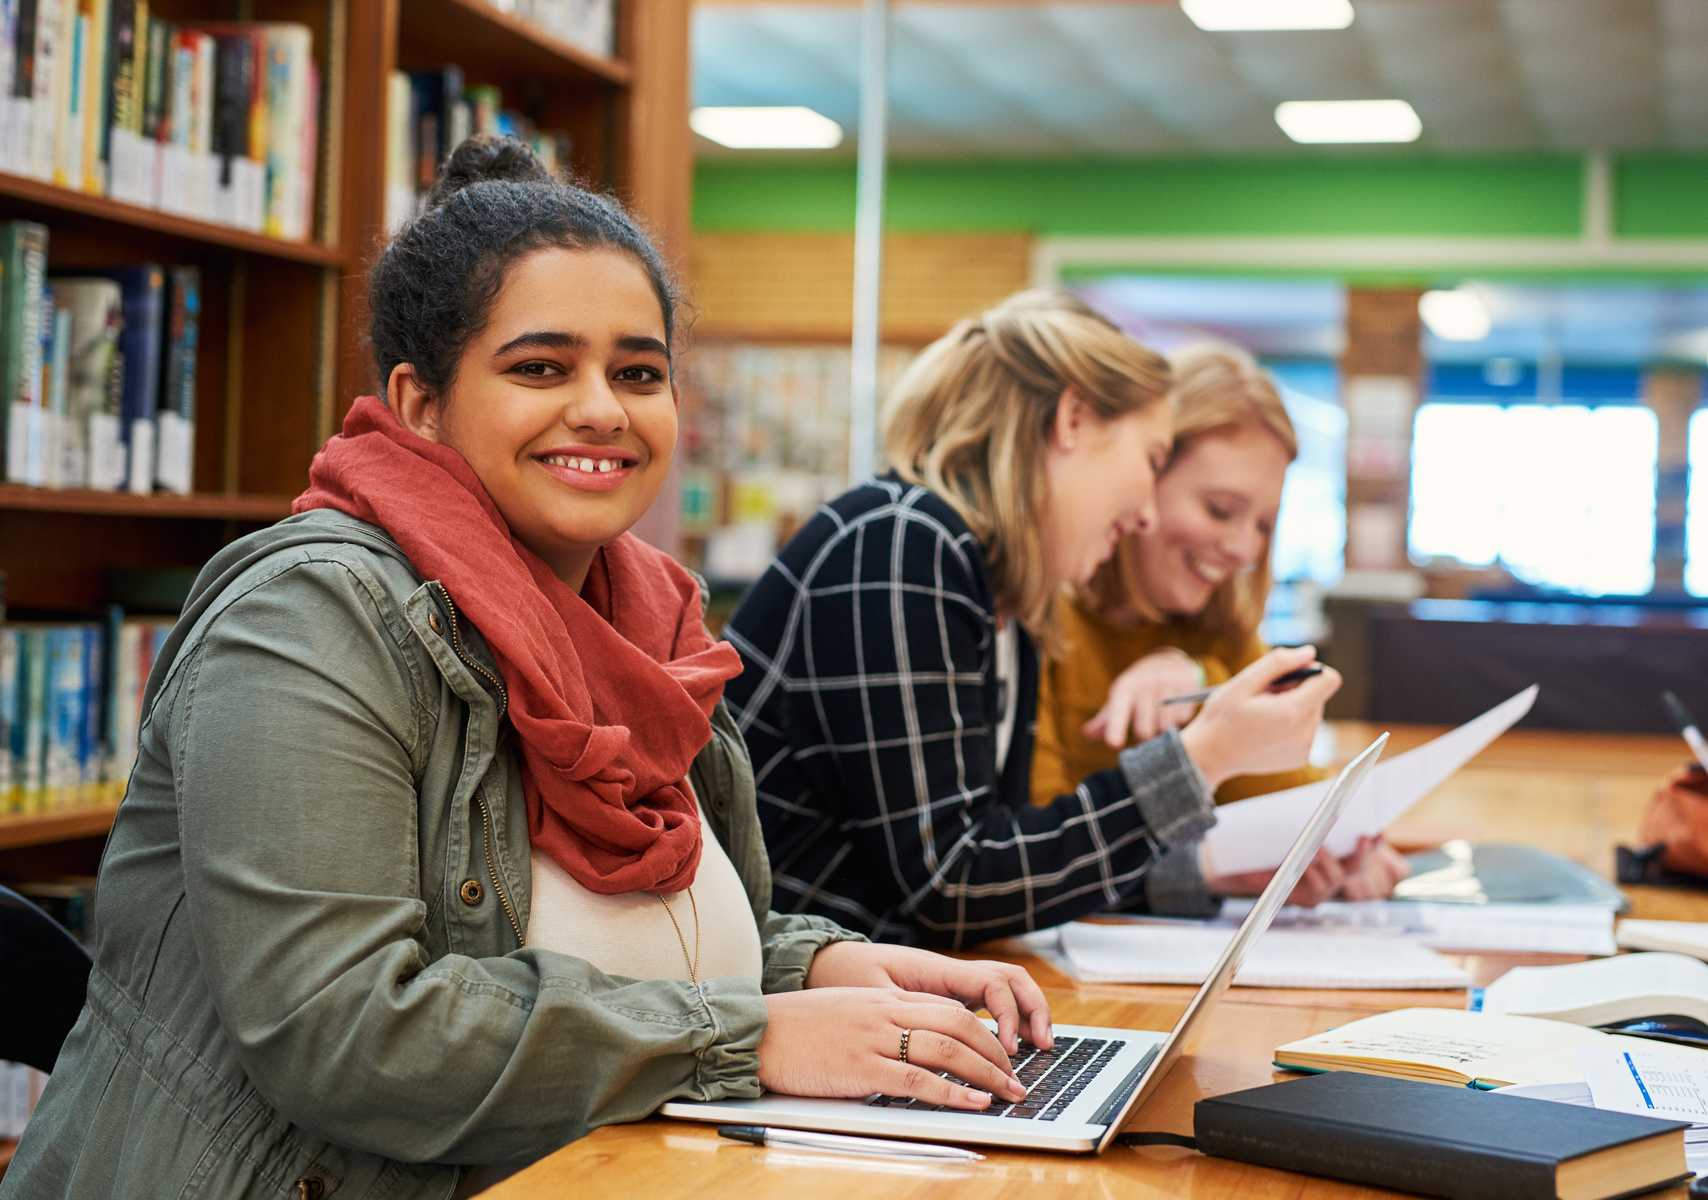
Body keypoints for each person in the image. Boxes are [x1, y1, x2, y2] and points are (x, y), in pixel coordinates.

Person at [1, 139, 1052, 1200]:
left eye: (638, 373)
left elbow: (622, 935)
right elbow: (343, 1030)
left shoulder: (648, 627)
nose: (602, 407)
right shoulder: (307, 618)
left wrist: (818, 969)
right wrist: (751, 1035)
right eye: (540, 368)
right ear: (419, 404)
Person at [723, 291, 1356, 950]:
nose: (1143, 512)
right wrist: (1200, 760)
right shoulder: (901, 540)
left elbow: (1016, 857)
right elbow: (954, 889)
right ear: (1074, 420)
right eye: (1148, 459)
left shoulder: (1006, 597)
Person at [1029, 342, 1409, 903]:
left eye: (1263, 524)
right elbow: (1028, 859)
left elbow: (1293, 807)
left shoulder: (1220, 634)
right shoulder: (1042, 620)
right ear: (1143, 477)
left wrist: (1350, 849)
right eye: (1220, 510)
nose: (1242, 549)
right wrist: (1201, 868)